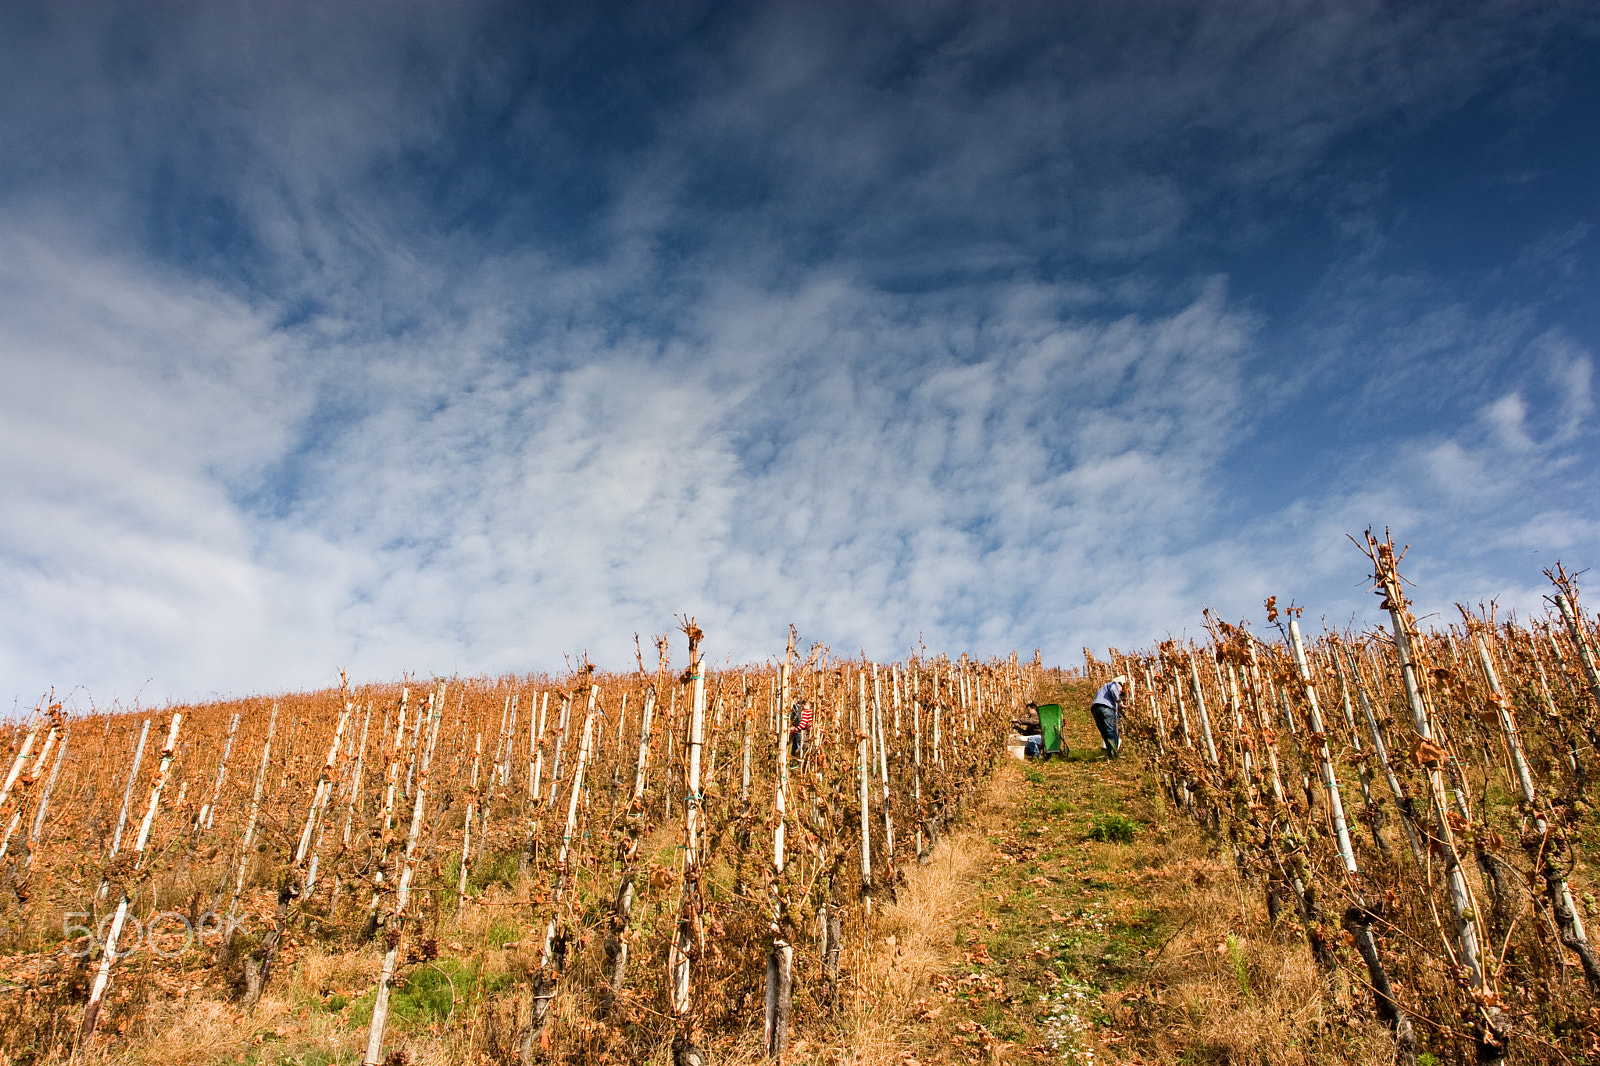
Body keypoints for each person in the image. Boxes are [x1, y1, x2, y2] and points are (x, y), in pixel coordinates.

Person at [1089, 676, 1128, 759]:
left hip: (1095, 709)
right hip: (1106, 708)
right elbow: (1114, 690)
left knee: (1105, 734)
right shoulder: (1115, 684)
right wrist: (1120, 701)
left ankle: (1110, 755)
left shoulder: (1104, 688)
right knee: (1112, 732)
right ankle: (1114, 754)